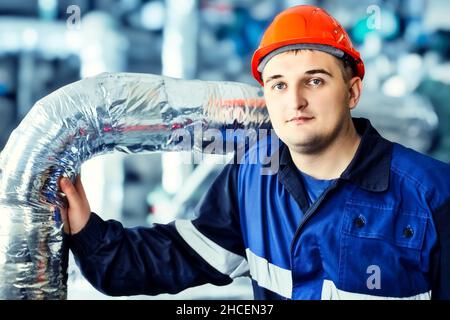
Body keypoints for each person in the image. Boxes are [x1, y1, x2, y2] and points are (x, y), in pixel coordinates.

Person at [60, 5, 450, 300]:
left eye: (314, 80)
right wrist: (87, 231)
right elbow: (174, 258)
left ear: (352, 92)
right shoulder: (253, 175)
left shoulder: (432, 195)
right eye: (278, 85)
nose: (295, 100)